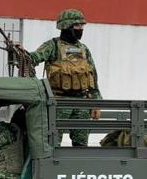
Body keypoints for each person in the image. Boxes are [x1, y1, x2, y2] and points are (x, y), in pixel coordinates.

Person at [19, 8, 100, 146]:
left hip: (82, 103)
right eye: (77, 26)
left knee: (81, 145)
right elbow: (33, 58)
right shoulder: (52, 46)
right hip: (59, 103)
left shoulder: (84, 49)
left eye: (82, 26)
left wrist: (97, 103)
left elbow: (93, 77)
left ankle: (79, 168)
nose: (80, 29)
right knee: (53, 143)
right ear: (66, 26)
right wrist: (21, 52)